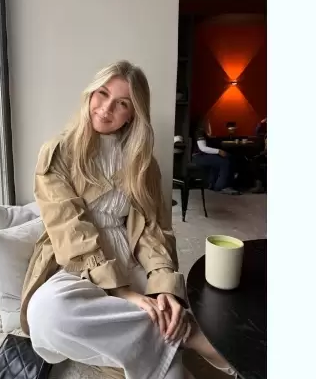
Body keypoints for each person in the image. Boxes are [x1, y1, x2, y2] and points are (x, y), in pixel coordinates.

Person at [21, 61, 237, 379]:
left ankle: (152, 344)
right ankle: (189, 334)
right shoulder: (58, 152)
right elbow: (69, 227)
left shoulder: (142, 162)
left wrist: (162, 287)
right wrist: (123, 294)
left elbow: (153, 229)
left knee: (171, 365)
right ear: (90, 93)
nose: (106, 108)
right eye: (102, 93)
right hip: (76, 261)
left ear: (133, 113)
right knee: (47, 314)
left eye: (122, 103)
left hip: (130, 256)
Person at [192, 120, 239, 195]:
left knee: (230, 157)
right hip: (199, 157)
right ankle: (221, 186)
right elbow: (203, 148)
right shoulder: (199, 132)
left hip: (206, 156)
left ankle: (216, 184)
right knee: (224, 162)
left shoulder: (209, 133)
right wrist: (218, 151)